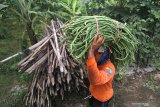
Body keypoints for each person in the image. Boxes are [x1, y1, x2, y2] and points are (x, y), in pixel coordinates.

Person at [86, 35, 115, 107]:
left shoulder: (109, 68)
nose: (94, 54)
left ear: (105, 54)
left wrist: (92, 50)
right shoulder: (97, 62)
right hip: (93, 93)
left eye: (99, 53)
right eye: (95, 51)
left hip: (102, 99)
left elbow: (96, 79)